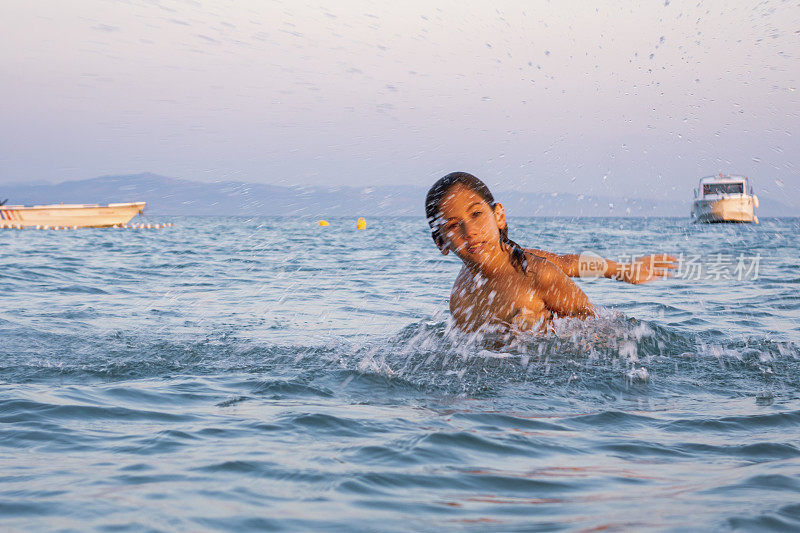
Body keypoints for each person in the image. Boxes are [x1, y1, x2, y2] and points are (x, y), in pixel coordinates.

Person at [425, 171, 676, 333]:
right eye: (452, 226)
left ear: (498, 215)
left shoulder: (535, 274)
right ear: (442, 243)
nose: (469, 230)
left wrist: (627, 272)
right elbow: (566, 262)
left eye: (477, 214)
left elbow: (596, 326)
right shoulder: (461, 292)